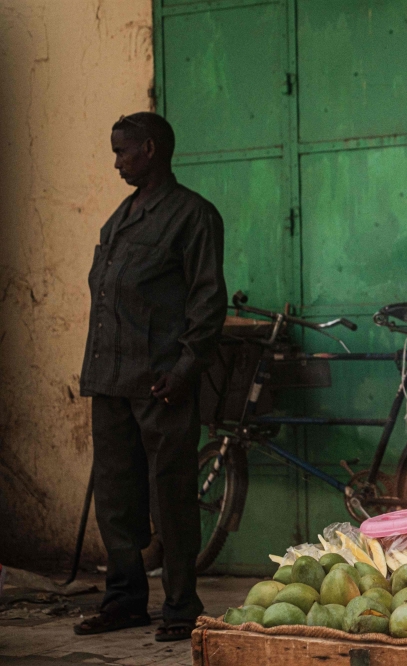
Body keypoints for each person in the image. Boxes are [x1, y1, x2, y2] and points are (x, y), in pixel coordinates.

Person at [74, 113, 227, 642]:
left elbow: (208, 303)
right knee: (116, 500)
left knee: (172, 499)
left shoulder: (193, 216)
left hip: (162, 386)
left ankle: (182, 607)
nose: (116, 162)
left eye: (123, 152)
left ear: (151, 149)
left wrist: (184, 369)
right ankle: (125, 600)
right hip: (111, 380)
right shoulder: (120, 219)